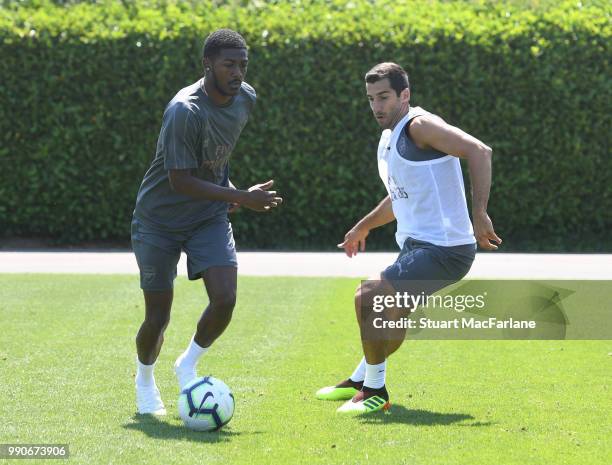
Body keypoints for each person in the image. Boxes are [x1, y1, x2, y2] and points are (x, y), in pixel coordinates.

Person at [316, 62, 501, 413]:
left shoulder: (420, 125)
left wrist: (479, 212)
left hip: (445, 249)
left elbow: (480, 151)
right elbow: (400, 195)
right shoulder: (391, 136)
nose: (376, 106)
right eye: (371, 98)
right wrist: (364, 225)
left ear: (405, 95)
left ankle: (374, 391)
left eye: (384, 97)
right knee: (390, 314)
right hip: (417, 246)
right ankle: (362, 379)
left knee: (368, 295)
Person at [131, 29, 282, 415]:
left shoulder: (244, 99)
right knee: (158, 316)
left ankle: (188, 364)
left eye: (243, 65)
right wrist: (240, 197)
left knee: (226, 298)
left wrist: (228, 189)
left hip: (207, 218)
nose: (238, 73)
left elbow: (215, 158)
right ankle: (145, 379)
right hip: (158, 221)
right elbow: (178, 179)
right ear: (207, 65)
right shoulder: (184, 110)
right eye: (229, 64)